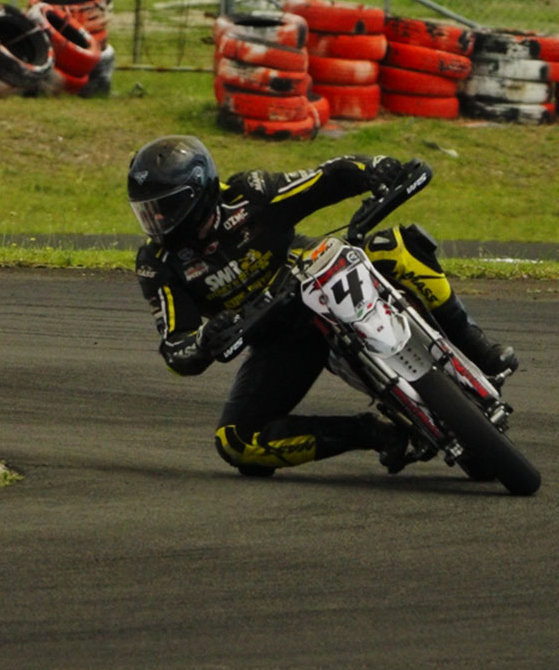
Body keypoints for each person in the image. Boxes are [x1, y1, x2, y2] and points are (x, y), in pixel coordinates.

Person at [127, 135, 518, 477]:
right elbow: (176, 349)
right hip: (278, 337)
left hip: (322, 277)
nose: (158, 221)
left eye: (166, 207)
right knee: (236, 443)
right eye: (147, 211)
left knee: (393, 246)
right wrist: (203, 342)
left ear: (199, 192)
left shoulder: (251, 193)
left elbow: (325, 178)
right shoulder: (158, 263)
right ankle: (370, 432)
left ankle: (474, 344)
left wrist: (374, 169)